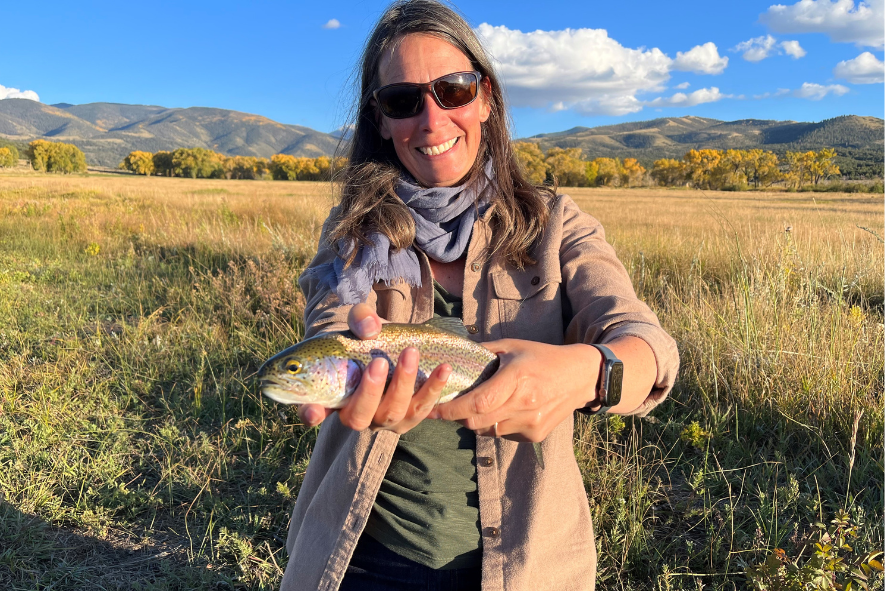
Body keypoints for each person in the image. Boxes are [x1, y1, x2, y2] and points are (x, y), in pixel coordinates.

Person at [279, 1, 679, 590]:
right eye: (403, 101)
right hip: (359, 557)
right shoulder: (352, 231)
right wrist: (346, 345)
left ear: (486, 97)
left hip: (528, 565)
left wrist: (586, 374)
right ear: (381, 120)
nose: (433, 121)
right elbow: (333, 320)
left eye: (453, 90)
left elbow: (648, 345)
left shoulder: (557, 226)